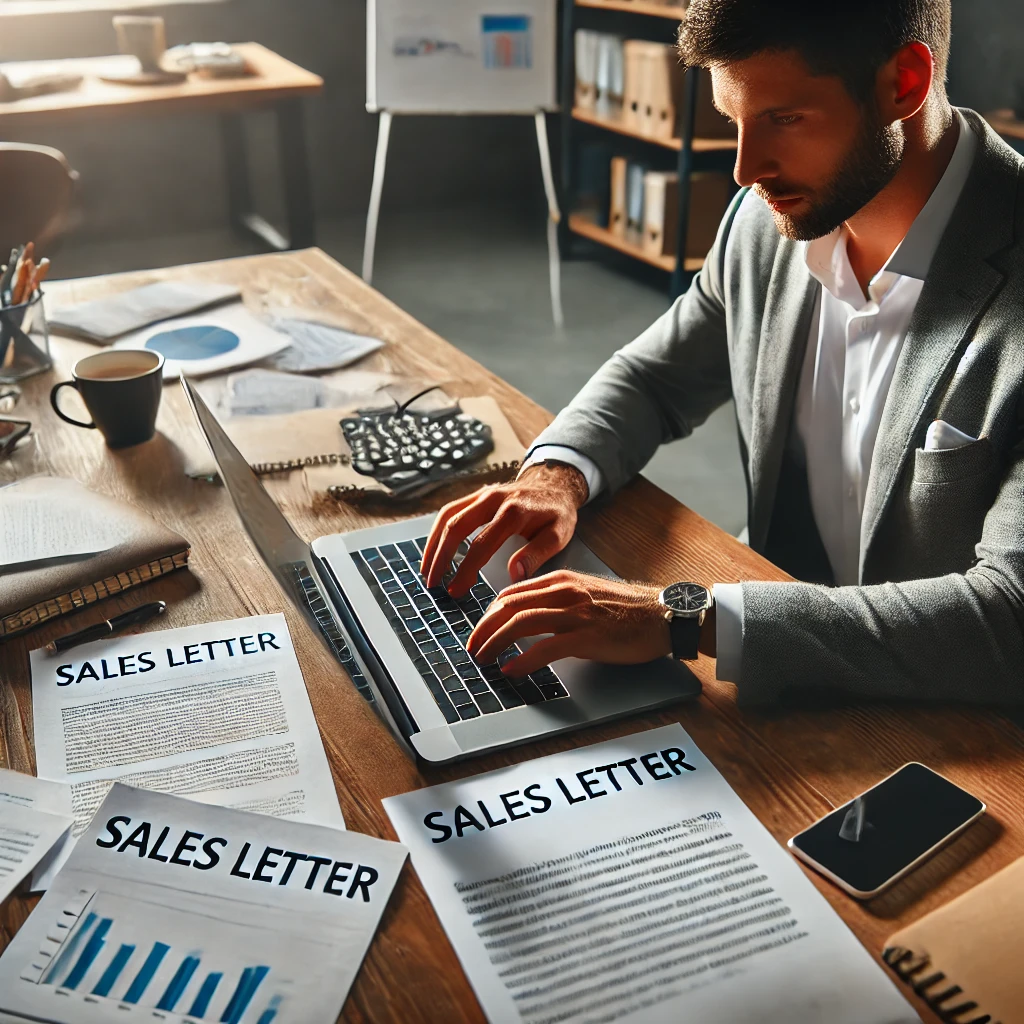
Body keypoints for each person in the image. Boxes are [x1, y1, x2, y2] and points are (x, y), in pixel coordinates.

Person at [421, 0, 1024, 705]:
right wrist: (555, 476)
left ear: (905, 83)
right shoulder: (769, 220)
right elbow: (656, 376)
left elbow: (1009, 619)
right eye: (734, 120)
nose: (744, 169)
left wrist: (686, 621)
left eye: (783, 119)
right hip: (779, 687)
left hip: (956, 732)